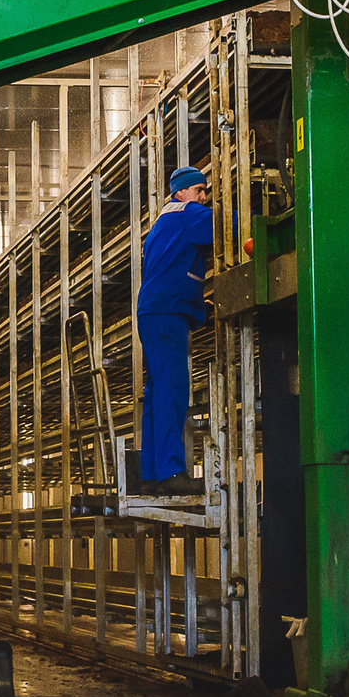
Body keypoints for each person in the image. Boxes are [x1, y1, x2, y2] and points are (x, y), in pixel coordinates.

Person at [134, 166, 213, 497]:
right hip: (168, 313)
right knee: (172, 390)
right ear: (180, 192)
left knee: (156, 393)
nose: (204, 197)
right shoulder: (188, 214)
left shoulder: (160, 224)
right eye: (199, 190)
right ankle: (170, 472)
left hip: (152, 312)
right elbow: (226, 225)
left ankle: (152, 474)